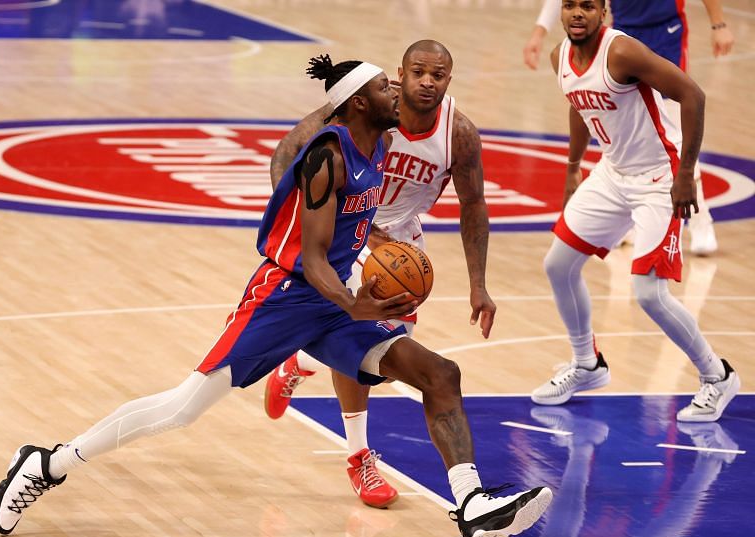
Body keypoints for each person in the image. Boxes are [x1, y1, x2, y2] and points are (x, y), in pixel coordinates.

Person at [0, 54, 552, 537]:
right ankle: (48, 463)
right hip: (285, 298)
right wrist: (357, 304)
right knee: (182, 408)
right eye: (386, 86)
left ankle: (472, 505)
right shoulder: (325, 160)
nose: (397, 91)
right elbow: (311, 259)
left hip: (331, 301)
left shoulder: (378, 143)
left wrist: (370, 278)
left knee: (440, 373)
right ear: (360, 102)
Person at [262, 39, 496, 509]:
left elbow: (473, 204)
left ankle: (299, 363)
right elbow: (287, 154)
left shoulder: (459, 134)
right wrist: (306, 228)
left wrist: (479, 285)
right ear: (400, 74)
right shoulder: (362, 106)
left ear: (449, 80)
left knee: (384, 363)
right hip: (346, 235)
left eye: (438, 75)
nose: (427, 82)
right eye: (418, 72)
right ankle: (359, 456)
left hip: (399, 246)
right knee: (369, 346)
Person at [529, 0, 740, 423]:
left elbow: (692, 94)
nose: (575, 13)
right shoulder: (561, 57)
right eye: (569, 4)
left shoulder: (622, 52)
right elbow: (577, 103)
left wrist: (684, 175)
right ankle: (586, 363)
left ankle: (717, 375)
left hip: (658, 179)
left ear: (603, 12)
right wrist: (573, 168)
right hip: (612, 173)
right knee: (558, 264)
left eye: (587, 6)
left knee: (648, 292)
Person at [523, 0, 735, 256]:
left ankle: (700, 222)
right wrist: (539, 31)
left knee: (673, 127)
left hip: (664, 31)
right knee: (616, 123)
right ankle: (629, 217)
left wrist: (718, 23)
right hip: (623, 32)